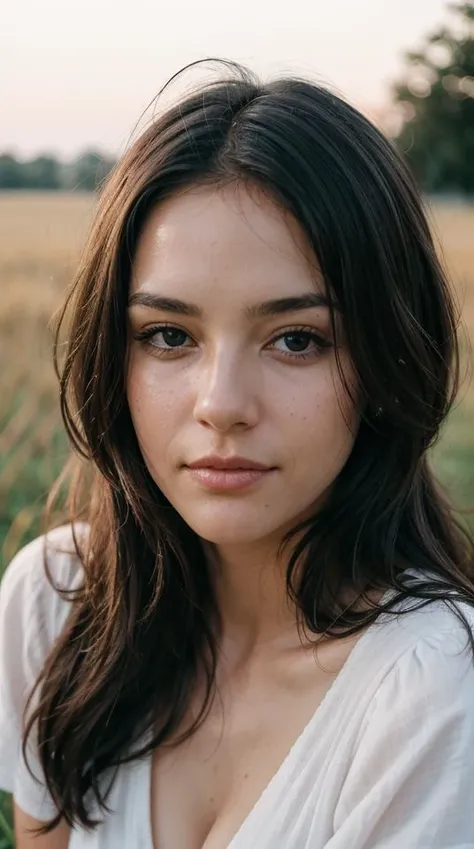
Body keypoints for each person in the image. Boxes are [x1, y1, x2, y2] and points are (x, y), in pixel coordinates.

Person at [1, 59, 474, 849]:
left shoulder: (432, 692)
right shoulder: (58, 606)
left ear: (390, 355)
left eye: (298, 339)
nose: (221, 402)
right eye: (168, 335)